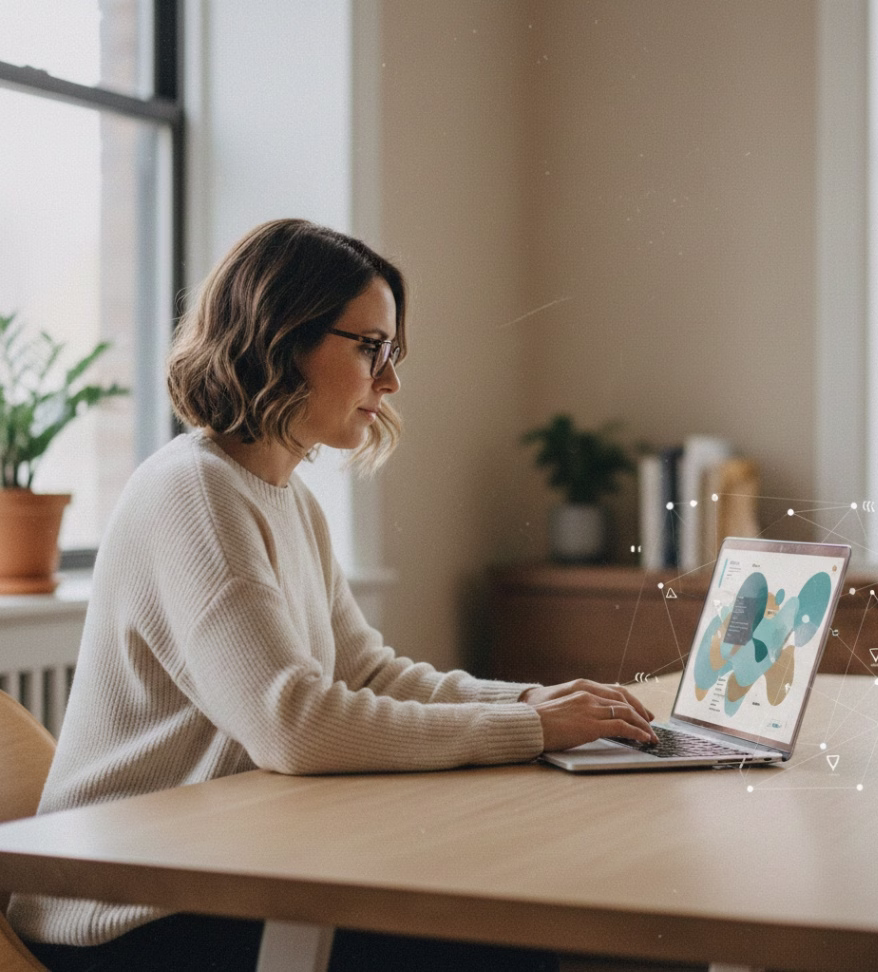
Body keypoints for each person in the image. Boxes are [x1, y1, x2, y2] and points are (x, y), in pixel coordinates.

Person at [9, 219, 657, 972]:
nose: (391, 380)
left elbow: (369, 675)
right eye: (371, 347)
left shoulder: (282, 496)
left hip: (214, 876)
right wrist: (533, 731)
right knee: (499, 947)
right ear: (283, 338)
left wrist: (530, 705)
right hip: (118, 918)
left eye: (394, 352)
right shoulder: (195, 491)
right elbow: (295, 725)